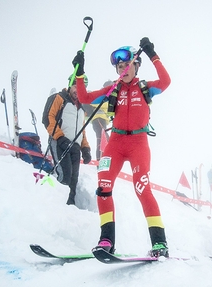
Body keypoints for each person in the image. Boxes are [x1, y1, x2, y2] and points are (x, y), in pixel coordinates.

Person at [72, 37, 171, 257]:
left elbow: (166, 81)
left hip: (138, 143)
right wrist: (79, 73)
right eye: (119, 66)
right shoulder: (112, 90)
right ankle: (106, 240)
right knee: (103, 188)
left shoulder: (145, 88)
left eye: (126, 65)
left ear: (136, 65)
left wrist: (152, 54)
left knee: (142, 189)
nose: (123, 69)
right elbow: (84, 97)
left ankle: (159, 243)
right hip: (115, 143)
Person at [46, 75, 92, 205]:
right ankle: (57, 205)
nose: (78, 90)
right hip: (60, 142)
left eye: (82, 87)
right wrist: (60, 138)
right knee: (65, 176)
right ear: (70, 84)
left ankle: (70, 206)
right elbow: (48, 118)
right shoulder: (60, 98)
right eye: (76, 86)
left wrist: (86, 148)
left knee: (73, 179)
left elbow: (82, 130)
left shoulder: (81, 108)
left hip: (75, 147)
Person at [82, 80, 112, 161]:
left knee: (106, 139)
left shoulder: (110, 98)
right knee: (102, 137)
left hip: (102, 120)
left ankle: (105, 159)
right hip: (98, 119)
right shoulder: (102, 96)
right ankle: (99, 160)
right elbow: (91, 101)